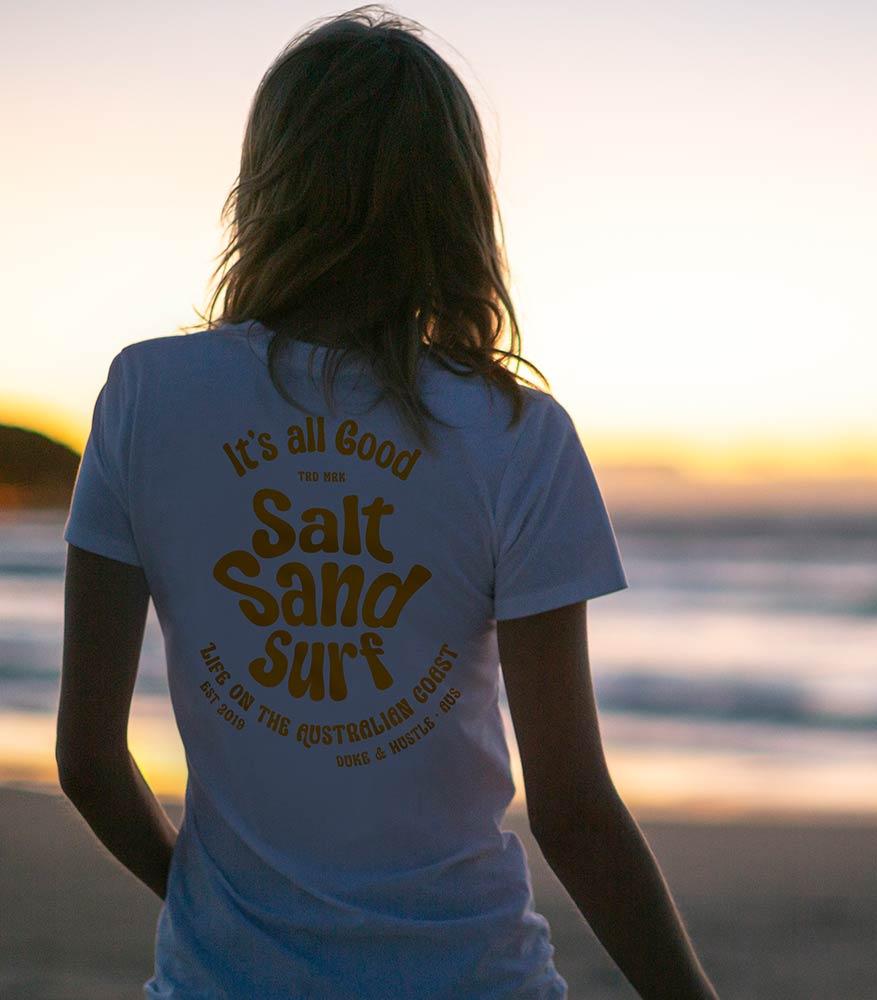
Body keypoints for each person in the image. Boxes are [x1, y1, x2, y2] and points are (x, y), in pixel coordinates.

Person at [57, 5, 721, 998]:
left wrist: (210, 912)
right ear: (455, 201)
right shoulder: (515, 434)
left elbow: (87, 757)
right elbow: (572, 809)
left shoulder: (146, 397)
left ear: (269, 183)